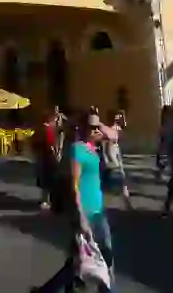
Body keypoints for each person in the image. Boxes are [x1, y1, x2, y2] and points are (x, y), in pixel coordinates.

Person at [33, 113, 115, 292]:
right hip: (84, 210)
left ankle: (48, 290)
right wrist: (80, 214)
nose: (96, 131)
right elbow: (74, 184)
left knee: (96, 256)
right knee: (81, 259)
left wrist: (98, 122)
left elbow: (113, 136)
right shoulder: (77, 149)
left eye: (97, 128)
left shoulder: (95, 147)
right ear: (84, 129)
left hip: (98, 209)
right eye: (92, 128)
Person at [35, 106, 65, 210]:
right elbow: (50, 144)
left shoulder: (43, 128)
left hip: (43, 156)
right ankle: (46, 201)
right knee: (48, 179)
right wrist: (55, 155)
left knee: (46, 179)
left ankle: (46, 200)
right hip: (48, 157)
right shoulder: (47, 129)